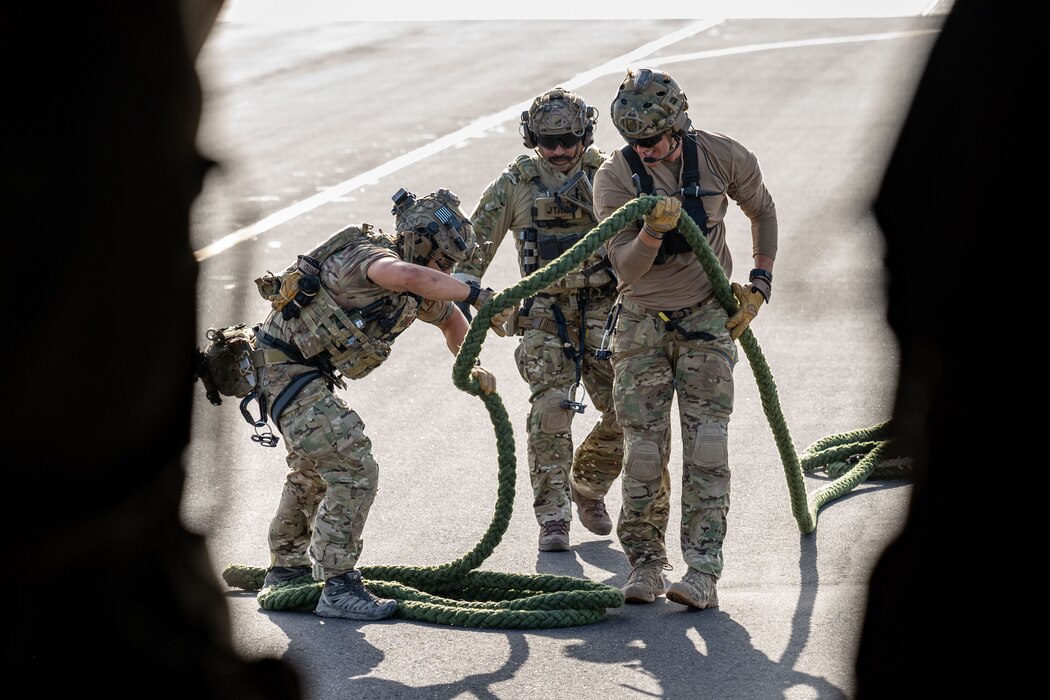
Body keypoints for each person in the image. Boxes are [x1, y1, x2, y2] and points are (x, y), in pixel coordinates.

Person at [236, 189, 502, 620]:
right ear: (420, 244)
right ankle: (337, 585)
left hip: (301, 377)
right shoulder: (371, 261)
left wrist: (469, 364)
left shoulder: (417, 281)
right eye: (444, 261)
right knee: (354, 467)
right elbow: (416, 279)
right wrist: (477, 293)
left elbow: (450, 317)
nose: (448, 271)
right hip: (282, 371)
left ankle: (286, 570)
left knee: (312, 470)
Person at [592, 68, 778, 609]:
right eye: (633, 142)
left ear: (677, 126)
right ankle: (646, 564)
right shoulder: (614, 178)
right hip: (642, 323)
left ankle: (702, 571)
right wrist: (651, 231)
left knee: (708, 448)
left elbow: (762, 209)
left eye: (651, 140)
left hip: (706, 319)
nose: (643, 151)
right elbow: (626, 271)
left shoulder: (724, 157)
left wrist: (760, 283)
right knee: (645, 451)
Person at [452, 88, 624, 552]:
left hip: (607, 309)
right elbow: (467, 265)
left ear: (584, 135)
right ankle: (553, 518)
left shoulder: (612, 175)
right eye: (550, 142)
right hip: (546, 314)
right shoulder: (515, 184)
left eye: (570, 140)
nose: (561, 151)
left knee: (631, 411)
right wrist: (493, 303)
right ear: (533, 140)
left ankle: (587, 483)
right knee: (551, 410)